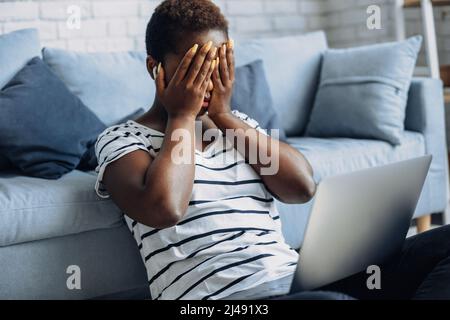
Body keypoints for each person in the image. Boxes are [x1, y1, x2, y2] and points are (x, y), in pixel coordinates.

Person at [94, 0, 450, 300]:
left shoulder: (235, 125)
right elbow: (165, 207)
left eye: (217, 66)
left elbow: (302, 187)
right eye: (195, 68)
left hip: (295, 283)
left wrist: (223, 115)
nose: (208, 80)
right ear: (155, 68)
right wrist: (183, 115)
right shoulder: (123, 139)